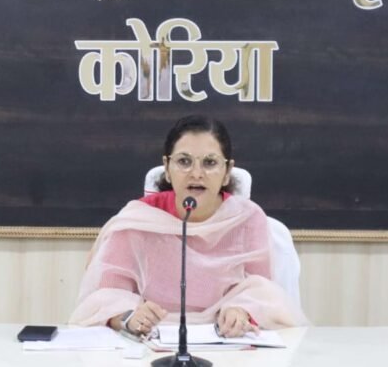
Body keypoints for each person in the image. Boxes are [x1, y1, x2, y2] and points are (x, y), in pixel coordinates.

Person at [69, 115, 307, 337]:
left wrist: (241, 312)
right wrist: (129, 317)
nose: (196, 173)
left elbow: (261, 293)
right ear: (167, 168)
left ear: (227, 172)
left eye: (210, 163)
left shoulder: (248, 219)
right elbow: (106, 298)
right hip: (150, 344)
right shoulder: (137, 220)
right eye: (184, 161)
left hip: (225, 342)